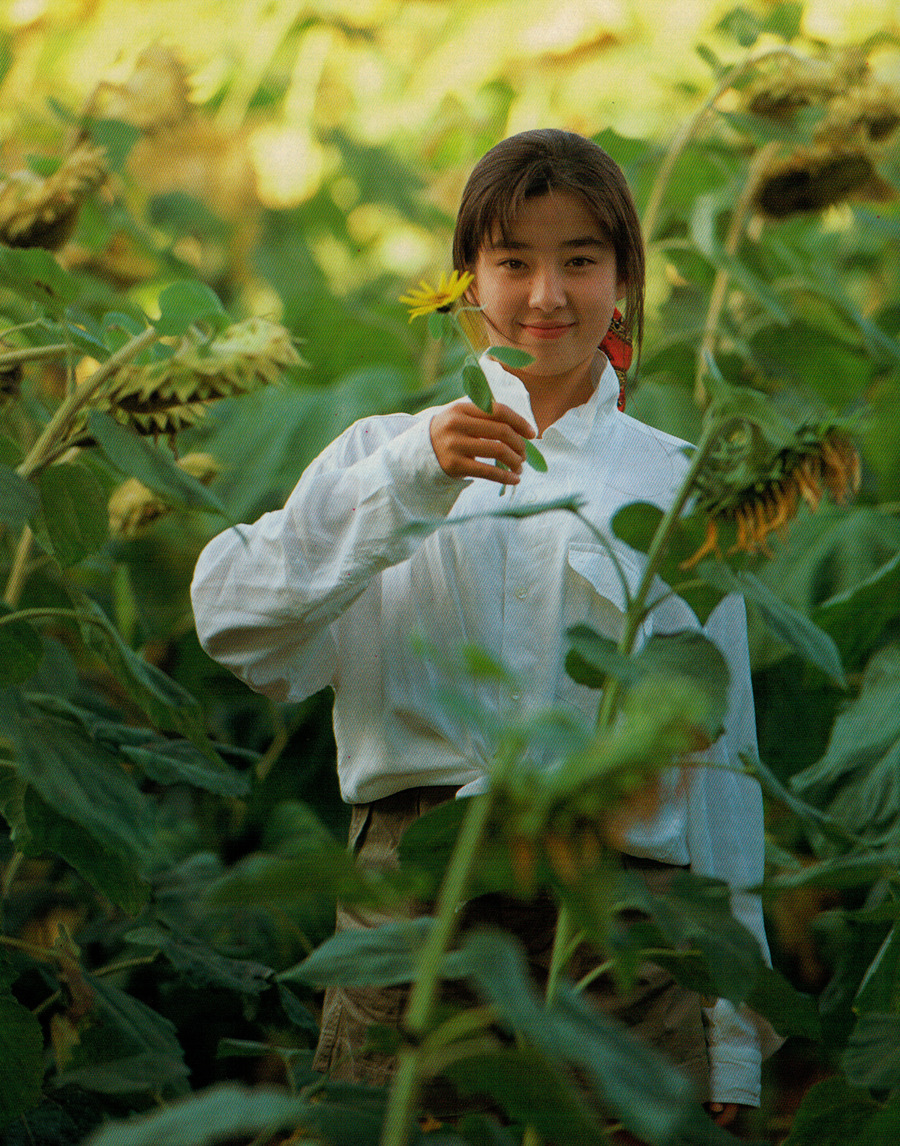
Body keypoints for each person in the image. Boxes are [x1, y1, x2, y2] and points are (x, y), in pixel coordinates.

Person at [191, 129, 778, 1131]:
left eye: (580, 261)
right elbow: (236, 624)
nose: (547, 295)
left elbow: (720, 761)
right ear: (468, 282)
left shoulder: (678, 482)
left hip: (623, 922)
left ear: (625, 284)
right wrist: (409, 479)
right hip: (416, 903)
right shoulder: (381, 454)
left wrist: (734, 1036)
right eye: (514, 262)